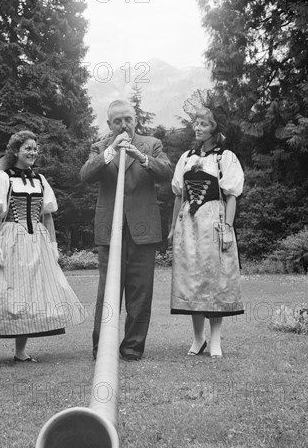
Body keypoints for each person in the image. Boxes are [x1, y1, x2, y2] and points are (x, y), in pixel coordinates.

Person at [0, 130, 86, 363]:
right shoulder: (3, 178)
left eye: (35, 148)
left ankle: (20, 351)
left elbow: (47, 217)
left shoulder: (40, 180)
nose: (33, 152)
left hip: (36, 241)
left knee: (29, 295)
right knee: (3, 292)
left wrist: (54, 244)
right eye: (28, 148)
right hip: (10, 239)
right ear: (16, 151)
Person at [80, 100, 173, 361]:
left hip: (143, 231)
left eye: (128, 119)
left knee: (140, 293)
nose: (124, 124)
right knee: (107, 294)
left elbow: (166, 172)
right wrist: (111, 149)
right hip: (110, 231)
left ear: (135, 120)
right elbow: (85, 174)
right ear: (109, 124)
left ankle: (132, 348)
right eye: (117, 120)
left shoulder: (152, 144)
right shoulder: (100, 146)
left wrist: (140, 157)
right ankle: (102, 349)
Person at [168, 90, 244, 359]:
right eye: (196, 123)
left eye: (204, 124)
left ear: (215, 129)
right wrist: (173, 227)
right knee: (192, 279)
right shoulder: (186, 157)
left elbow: (232, 196)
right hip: (189, 222)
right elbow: (179, 194)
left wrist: (228, 227)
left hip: (214, 221)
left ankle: (215, 340)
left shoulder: (225, 158)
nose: (197, 127)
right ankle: (198, 338)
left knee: (214, 279)